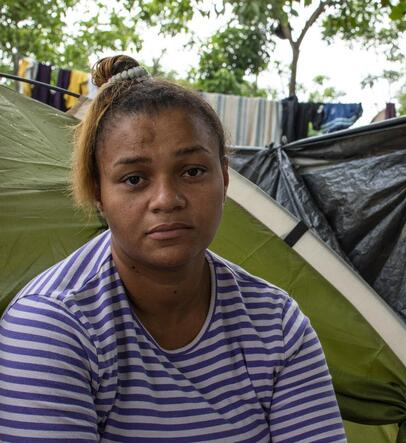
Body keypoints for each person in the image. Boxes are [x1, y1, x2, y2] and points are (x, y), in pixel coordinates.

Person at [0, 55, 347, 442]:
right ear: (98, 194)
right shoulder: (53, 324)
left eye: (193, 171)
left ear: (225, 178)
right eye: (134, 179)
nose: (166, 199)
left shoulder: (275, 324)